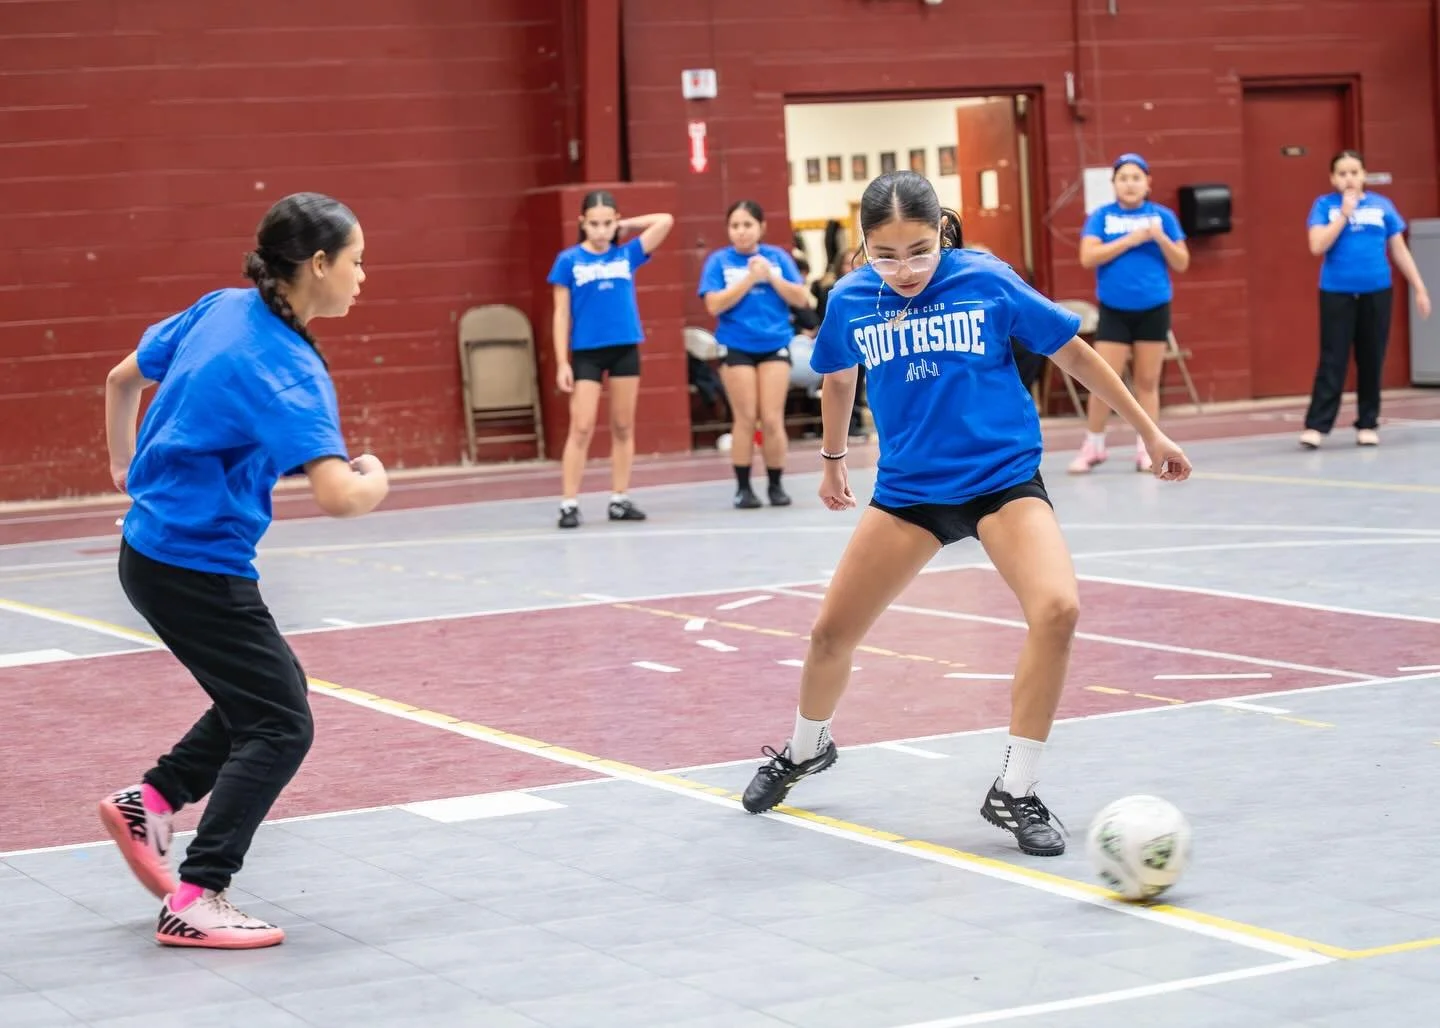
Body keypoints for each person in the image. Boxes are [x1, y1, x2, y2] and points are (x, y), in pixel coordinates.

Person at [739, 172, 1192, 856]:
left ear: (942, 232)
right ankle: (807, 749)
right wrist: (833, 459)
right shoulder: (851, 298)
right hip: (909, 494)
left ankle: (1016, 788)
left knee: (1058, 610)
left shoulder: (987, 280)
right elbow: (837, 377)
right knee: (830, 635)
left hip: (1000, 481)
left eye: (920, 251)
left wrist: (1148, 431)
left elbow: (1073, 352)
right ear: (862, 247)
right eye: (886, 256)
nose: (905, 270)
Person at [97, 192, 388, 949]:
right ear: (318, 265)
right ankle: (198, 894)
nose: (364, 275)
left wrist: (124, 464)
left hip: (149, 549)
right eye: (357, 260)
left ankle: (151, 802)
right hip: (196, 568)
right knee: (283, 723)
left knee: (264, 694)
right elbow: (337, 496)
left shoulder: (220, 307)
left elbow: (119, 379)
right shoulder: (288, 369)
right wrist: (375, 475)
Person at [549, 192, 675, 527]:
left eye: (608, 223)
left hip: (624, 347)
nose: (602, 230)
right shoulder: (568, 261)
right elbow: (560, 314)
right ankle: (569, 502)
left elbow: (665, 220)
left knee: (622, 425)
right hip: (587, 351)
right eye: (594, 223)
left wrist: (627, 225)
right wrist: (563, 362)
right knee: (582, 426)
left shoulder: (628, 253)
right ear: (582, 223)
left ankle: (619, 498)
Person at [1301, 149, 1431, 448]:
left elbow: (1399, 249)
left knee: (1372, 356)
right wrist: (1343, 216)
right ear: (1333, 178)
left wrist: (1419, 287)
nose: (1349, 178)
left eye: (1355, 172)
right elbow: (1317, 245)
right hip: (1337, 292)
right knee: (1333, 358)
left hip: (1376, 291)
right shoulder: (1324, 206)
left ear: (1363, 176)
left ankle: (1368, 421)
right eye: (1343, 173)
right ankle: (1317, 426)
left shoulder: (1381, 206)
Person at [1069, 153, 1190, 474]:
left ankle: (1146, 446)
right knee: (1103, 380)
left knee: (1147, 382)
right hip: (1114, 310)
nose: (1130, 183)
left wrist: (1159, 236)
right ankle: (1094, 444)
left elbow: (1181, 262)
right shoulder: (1101, 217)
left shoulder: (1163, 217)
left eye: (1136, 177)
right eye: (1123, 178)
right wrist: (1131, 239)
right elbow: (1088, 256)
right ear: (1114, 184)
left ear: (1148, 183)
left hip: (1154, 308)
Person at [699, 200, 816, 509]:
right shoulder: (719, 262)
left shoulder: (777, 258)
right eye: (735, 226)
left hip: (775, 343)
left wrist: (771, 278)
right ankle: (743, 487)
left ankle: (776, 485)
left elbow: (801, 298)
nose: (741, 232)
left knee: (772, 417)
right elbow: (714, 304)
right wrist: (749, 280)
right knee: (746, 418)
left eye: (747, 225)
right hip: (736, 345)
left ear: (761, 227)